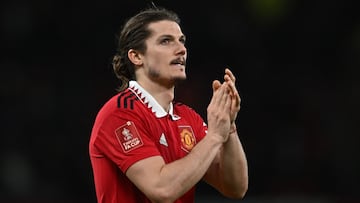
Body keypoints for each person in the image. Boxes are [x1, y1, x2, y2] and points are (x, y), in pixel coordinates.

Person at [89, 6, 248, 203]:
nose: (181, 49)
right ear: (137, 56)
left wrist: (228, 127)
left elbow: (235, 187)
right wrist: (215, 136)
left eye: (182, 41)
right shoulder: (119, 114)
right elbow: (161, 189)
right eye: (166, 41)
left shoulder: (188, 118)